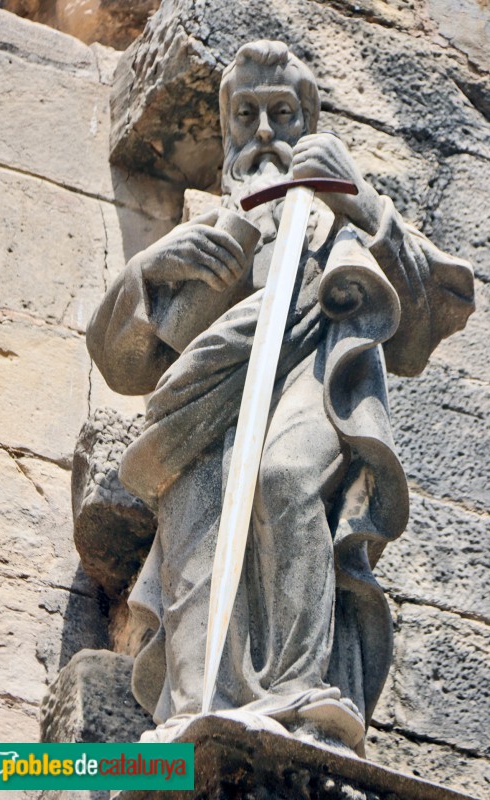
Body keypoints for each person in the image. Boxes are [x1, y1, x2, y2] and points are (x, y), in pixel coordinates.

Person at [87, 40, 474, 749]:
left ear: (308, 121)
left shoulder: (338, 217)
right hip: (205, 411)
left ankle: (300, 689)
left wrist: (357, 201)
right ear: (227, 131)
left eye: (281, 113)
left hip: (312, 373)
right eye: (245, 117)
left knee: (286, 479)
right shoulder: (210, 226)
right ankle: (196, 713)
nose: (263, 133)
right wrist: (151, 269)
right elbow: (121, 363)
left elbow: (437, 304)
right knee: (200, 545)